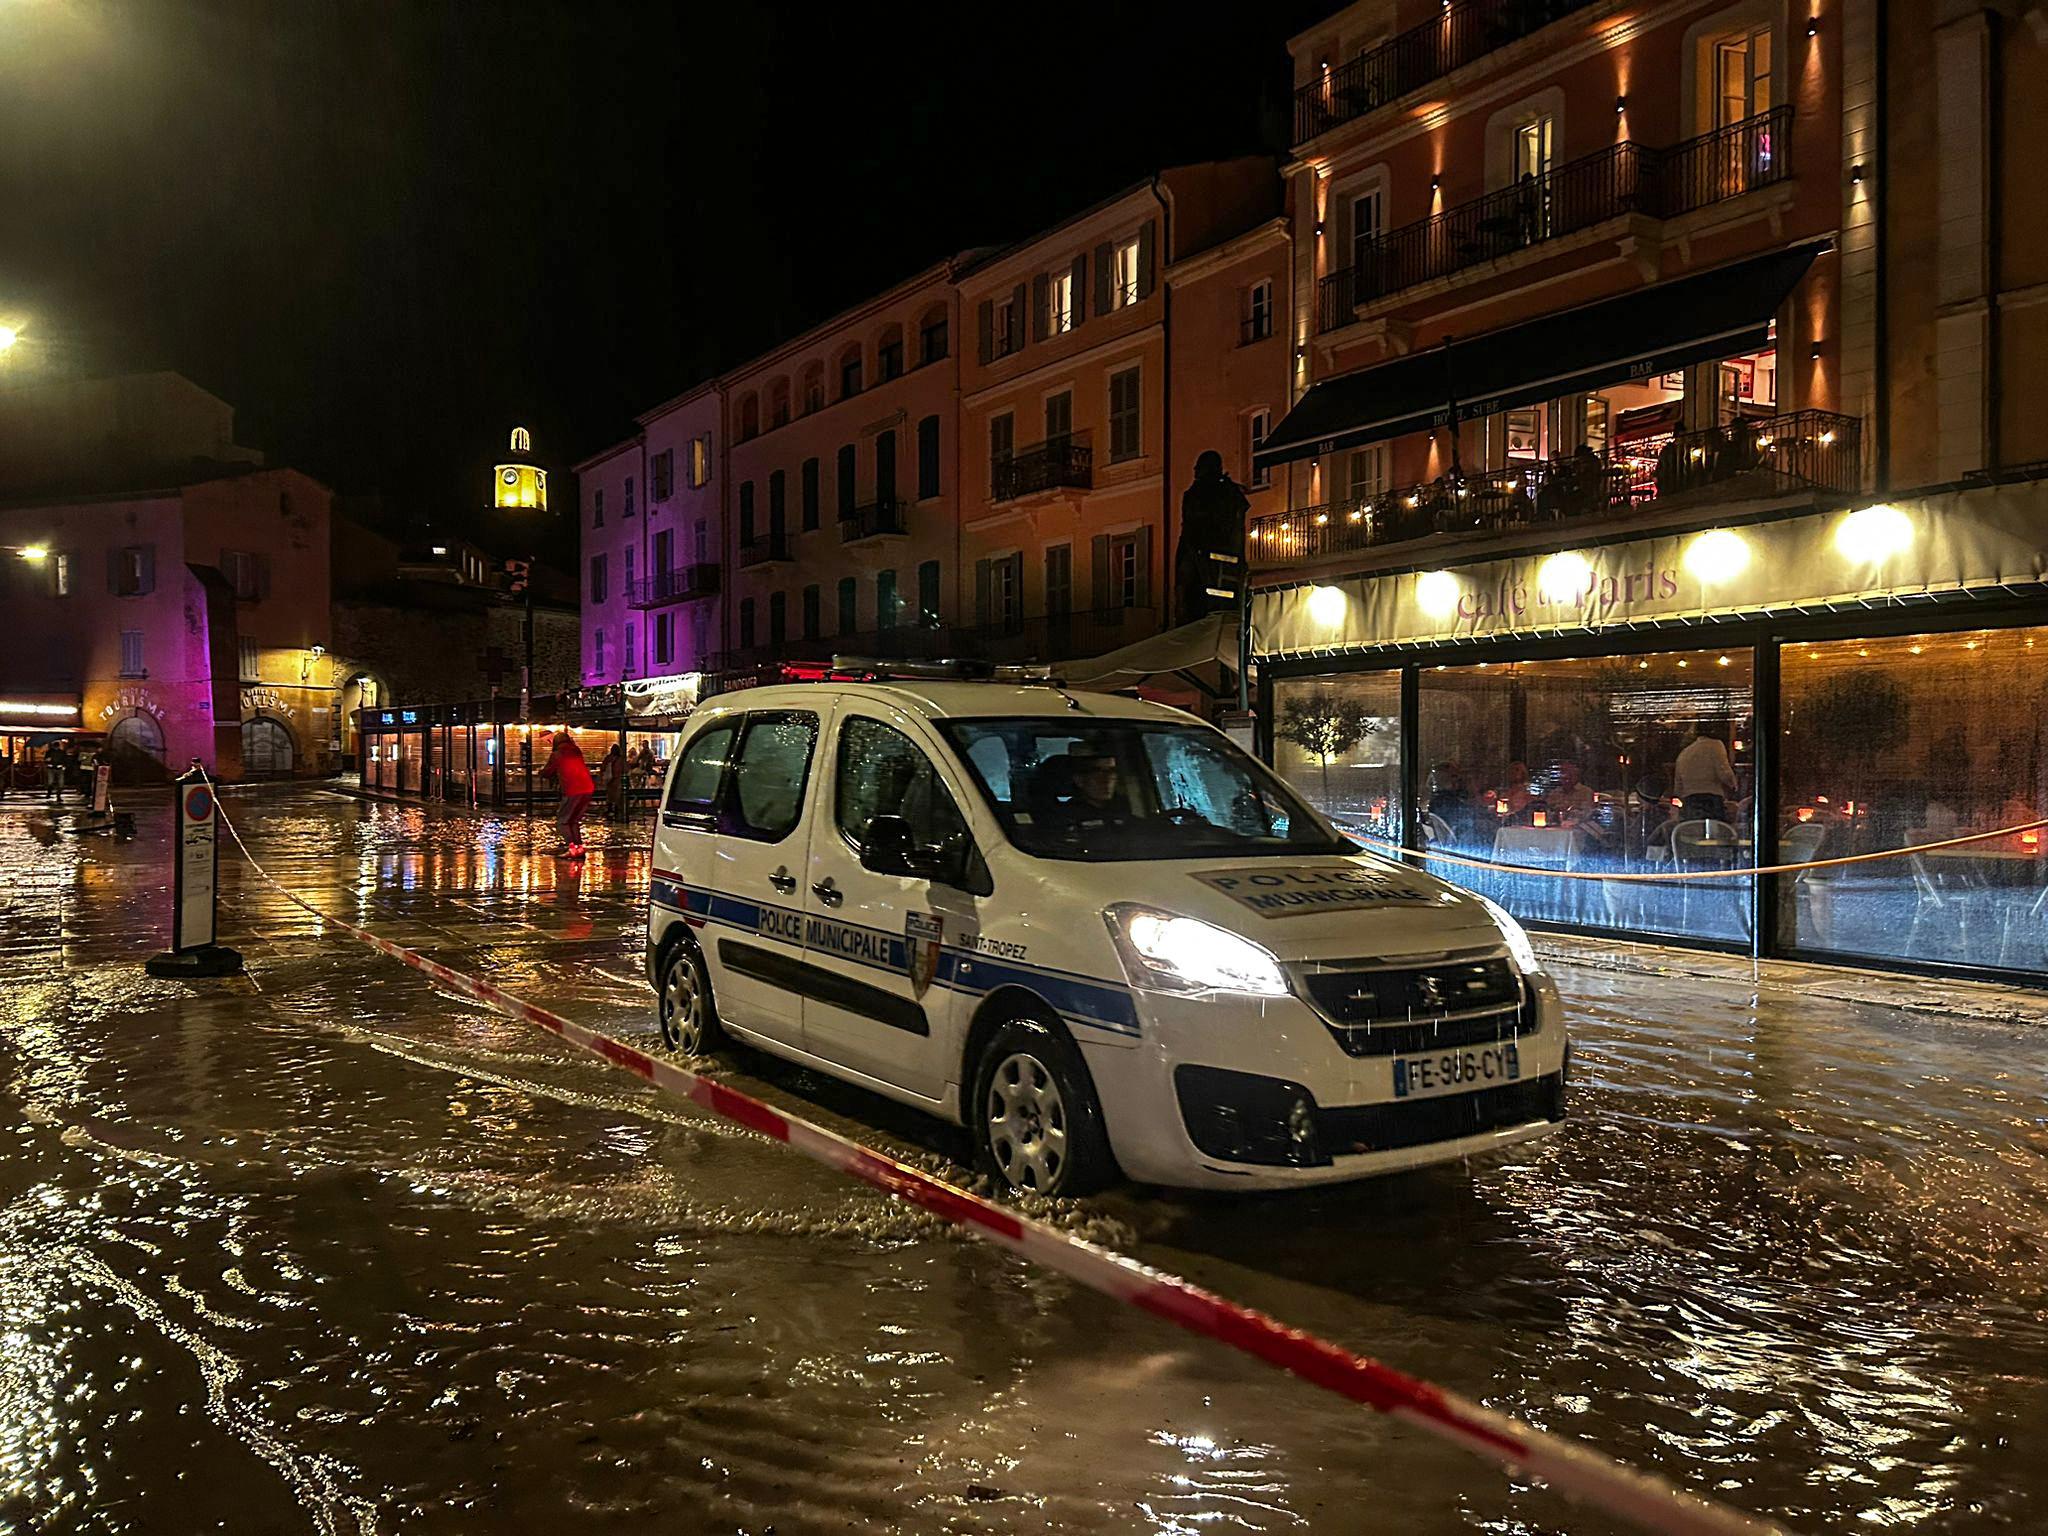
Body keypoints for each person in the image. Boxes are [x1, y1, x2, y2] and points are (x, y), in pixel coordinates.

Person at [539, 732, 595, 855]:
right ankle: (579, 847)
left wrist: (541, 773)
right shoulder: (576, 751)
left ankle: (571, 848)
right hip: (587, 788)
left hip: (572, 789)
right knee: (574, 820)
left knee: (563, 821)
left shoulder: (557, 754)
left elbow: (548, 771)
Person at [1673, 723, 1739, 822]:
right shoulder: (1716, 745)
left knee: (1693, 831)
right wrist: (1733, 785)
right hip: (1710, 799)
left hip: (1689, 801)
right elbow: (1723, 772)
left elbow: (1678, 785)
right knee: (1713, 832)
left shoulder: (1685, 752)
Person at [600, 742, 626, 822]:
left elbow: (603, 768)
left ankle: (610, 810)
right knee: (617, 796)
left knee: (610, 796)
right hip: (617, 780)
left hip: (609, 781)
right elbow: (626, 769)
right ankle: (617, 811)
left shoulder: (608, 758)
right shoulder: (621, 760)